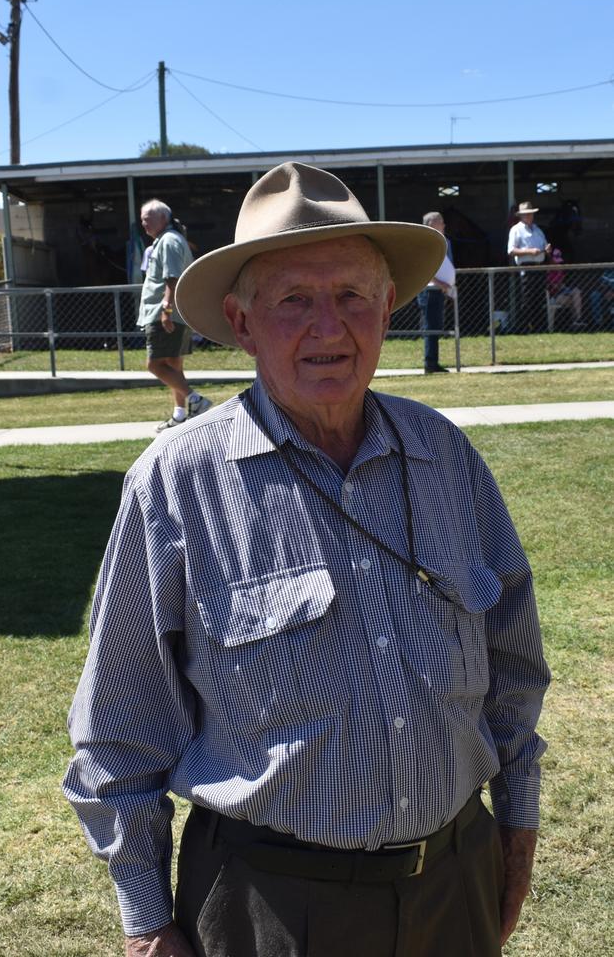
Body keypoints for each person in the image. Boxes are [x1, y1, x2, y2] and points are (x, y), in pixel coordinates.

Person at [64, 163, 550, 957]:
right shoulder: (177, 482)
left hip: (455, 881)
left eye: (354, 296)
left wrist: (517, 829)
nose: (331, 327)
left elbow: (513, 664)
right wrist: (148, 924)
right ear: (241, 321)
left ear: (388, 308)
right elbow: (122, 728)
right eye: (294, 300)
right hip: (272, 908)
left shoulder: (445, 455)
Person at [138, 199, 211, 431]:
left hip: (165, 312)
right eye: (142, 220)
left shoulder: (168, 241)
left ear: (163, 219)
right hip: (175, 313)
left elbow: (172, 277)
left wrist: (166, 310)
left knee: (154, 364)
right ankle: (179, 415)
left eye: (147, 219)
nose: (144, 224)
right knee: (173, 365)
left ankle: (196, 400)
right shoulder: (170, 240)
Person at [416, 211, 455, 373]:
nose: (444, 225)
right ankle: (430, 363)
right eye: (440, 222)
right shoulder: (425, 242)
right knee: (430, 327)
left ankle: (434, 361)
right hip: (429, 291)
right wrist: (441, 283)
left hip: (440, 291)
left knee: (436, 326)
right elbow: (424, 270)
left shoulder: (445, 242)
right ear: (431, 224)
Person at [507, 201, 551, 333]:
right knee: (527, 299)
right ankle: (524, 328)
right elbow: (511, 250)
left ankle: (540, 328)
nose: (528, 216)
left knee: (540, 298)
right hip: (526, 268)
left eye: (530, 214)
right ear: (521, 216)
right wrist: (529, 251)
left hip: (539, 267)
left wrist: (547, 249)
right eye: (525, 214)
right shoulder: (516, 230)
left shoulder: (538, 230)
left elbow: (544, 246)